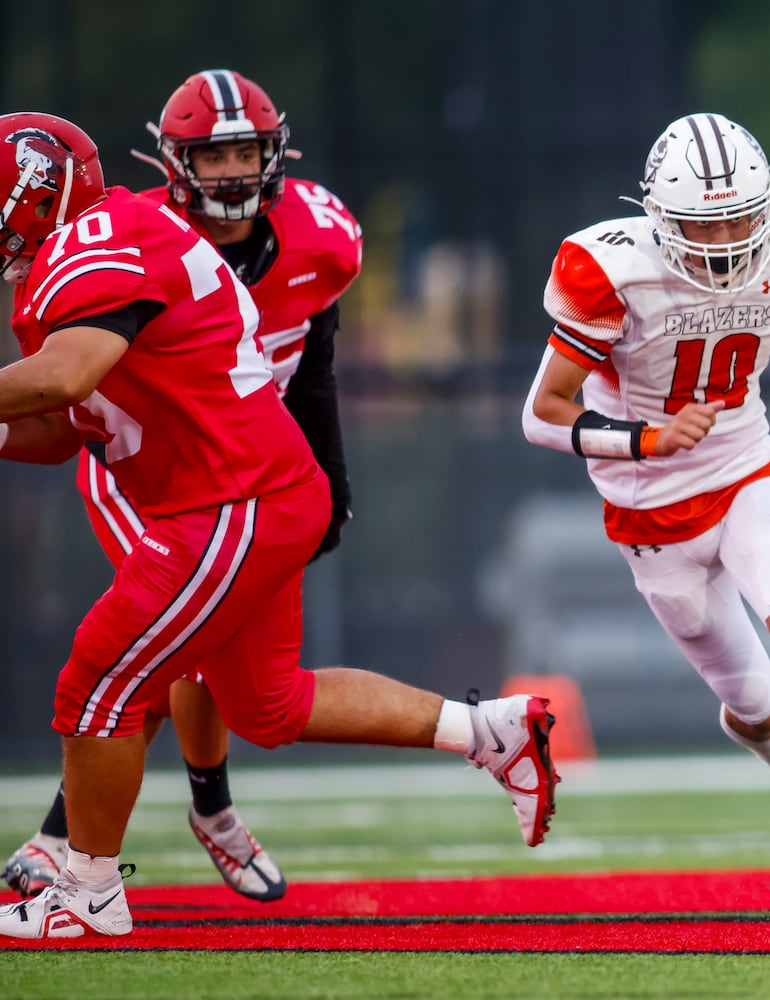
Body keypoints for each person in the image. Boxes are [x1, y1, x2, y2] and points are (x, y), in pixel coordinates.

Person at [0, 112, 558, 941]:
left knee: (99, 682)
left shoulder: (96, 238)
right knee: (266, 704)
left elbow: (67, 374)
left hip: (228, 498)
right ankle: (490, 731)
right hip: (249, 491)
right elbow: (76, 418)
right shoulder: (97, 240)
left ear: (38, 193)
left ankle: (84, 888)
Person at [2, 69, 359, 906]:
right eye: (215, 152)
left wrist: (331, 470)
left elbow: (313, 365)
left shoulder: (319, 235)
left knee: (156, 654)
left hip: (235, 465)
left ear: (275, 155)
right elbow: (69, 400)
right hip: (147, 461)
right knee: (156, 650)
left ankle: (85, 857)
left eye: (246, 151)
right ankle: (115, 841)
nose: (233, 171)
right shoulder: (123, 230)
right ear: (173, 161)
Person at [521, 112, 770, 916]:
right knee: (750, 704)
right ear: (658, 218)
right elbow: (541, 415)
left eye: (737, 217)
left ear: (769, 204)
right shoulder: (610, 268)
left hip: (746, 463)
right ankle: (768, 736)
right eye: (701, 223)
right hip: (651, 510)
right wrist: (644, 438)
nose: (723, 239)